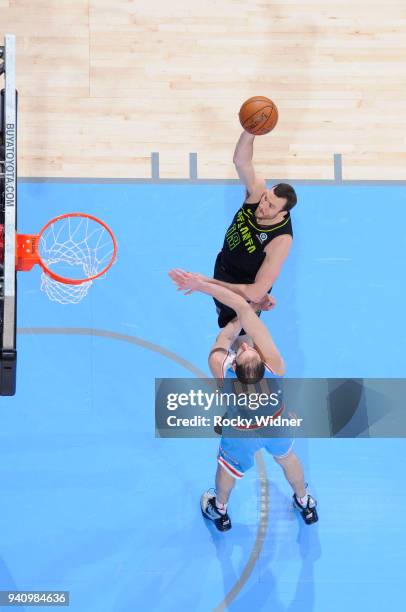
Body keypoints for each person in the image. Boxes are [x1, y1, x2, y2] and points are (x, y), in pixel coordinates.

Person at [168, 269, 318, 531]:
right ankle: (305, 501)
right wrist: (251, 309)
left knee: (226, 470)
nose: (246, 346)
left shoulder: (220, 367)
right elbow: (245, 315)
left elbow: (226, 337)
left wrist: (201, 285)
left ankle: (220, 509)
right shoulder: (275, 366)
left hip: (241, 433)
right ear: (262, 364)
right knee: (288, 458)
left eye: (245, 350)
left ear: (234, 366)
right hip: (275, 425)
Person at [192, 130, 297, 382]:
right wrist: (249, 131)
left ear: (282, 214)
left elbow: (250, 295)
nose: (263, 205)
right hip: (229, 273)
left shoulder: (280, 240)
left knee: (236, 329)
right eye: (266, 199)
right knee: (243, 327)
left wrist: (209, 284)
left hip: (242, 286)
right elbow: (241, 161)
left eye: (271, 206)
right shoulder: (258, 196)